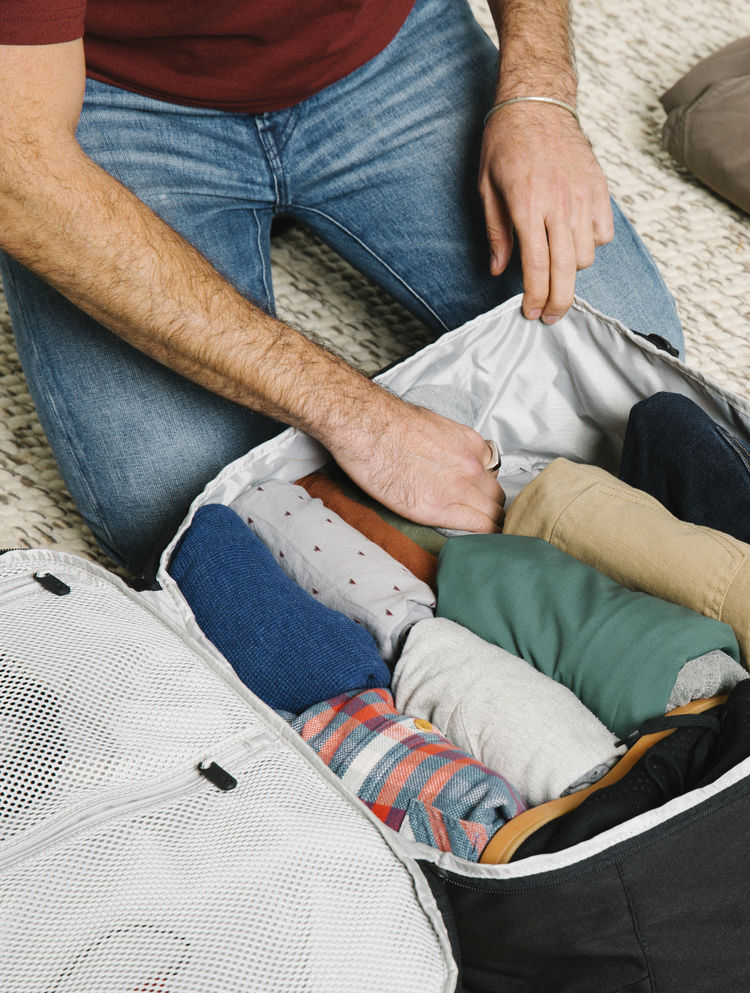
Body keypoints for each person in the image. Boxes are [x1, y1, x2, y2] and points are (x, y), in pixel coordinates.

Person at [0, 0, 684, 577]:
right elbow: (18, 167)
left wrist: (539, 92)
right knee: (195, 515)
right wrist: (360, 418)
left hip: (382, 42)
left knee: (629, 378)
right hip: (108, 90)